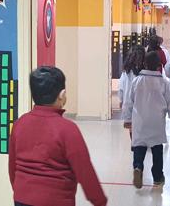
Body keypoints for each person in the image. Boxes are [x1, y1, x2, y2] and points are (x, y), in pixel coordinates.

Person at [9, 67, 107, 206]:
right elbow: (85, 171)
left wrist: (23, 193)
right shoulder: (67, 129)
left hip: (22, 199)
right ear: (62, 94)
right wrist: (99, 201)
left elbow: (12, 167)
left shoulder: (19, 124)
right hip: (57, 200)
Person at [122, 51, 170, 189]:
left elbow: (128, 101)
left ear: (144, 63)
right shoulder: (164, 83)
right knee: (157, 149)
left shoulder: (137, 81)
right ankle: (157, 177)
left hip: (140, 121)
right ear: (159, 66)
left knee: (139, 146)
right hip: (157, 122)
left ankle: (138, 167)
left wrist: (127, 118)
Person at [118, 46, 145, 110]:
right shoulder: (145, 72)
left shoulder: (126, 71)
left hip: (127, 103)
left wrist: (121, 100)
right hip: (141, 106)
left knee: (128, 119)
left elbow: (121, 88)